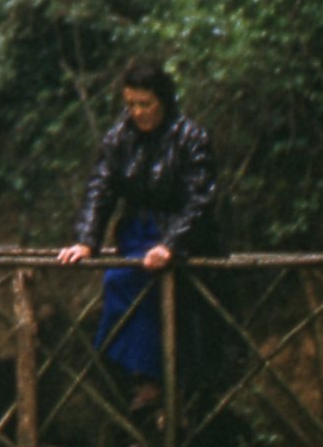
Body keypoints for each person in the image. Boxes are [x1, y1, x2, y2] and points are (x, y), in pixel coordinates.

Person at [57, 55, 218, 411]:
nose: (138, 113)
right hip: (136, 230)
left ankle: (155, 381)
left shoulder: (191, 138)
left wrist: (171, 244)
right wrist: (86, 240)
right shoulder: (119, 138)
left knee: (147, 283)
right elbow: (100, 188)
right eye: (131, 105)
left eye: (146, 104)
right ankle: (140, 377)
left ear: (163, 100)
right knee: (119, 280)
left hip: (179, 233)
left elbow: (200, 200)